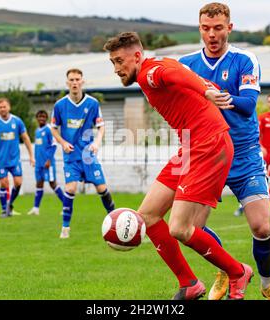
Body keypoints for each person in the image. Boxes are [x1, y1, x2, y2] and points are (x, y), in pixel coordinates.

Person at [104, 31, 253, 300]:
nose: (116, 69)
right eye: (113, 63)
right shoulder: (156, 66)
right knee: (147, 216)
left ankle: (237, 272)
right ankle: (189, 284)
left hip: (209, 146)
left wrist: (206, 91)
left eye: (119, 61)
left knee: (179, 228)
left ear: (137, 56)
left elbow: (176, 76)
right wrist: (206, 88)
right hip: (190, 147)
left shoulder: (151, 73)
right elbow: (180, 72)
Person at [179, 3, 270, 300]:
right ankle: (229, 270)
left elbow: (249, 104)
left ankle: (266, 284)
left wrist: (209, 96)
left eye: (217, 28)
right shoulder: (186, 64)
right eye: (205, 28)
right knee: (191, 229)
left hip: (244, 154)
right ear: (199, 28)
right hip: (207, 155)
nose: (211, 34)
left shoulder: (244, 59)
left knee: (262, 226)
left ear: (229, 27)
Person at [51, 68, 115, 239]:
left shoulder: (92, 103)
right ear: (67, 83)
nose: (74, 82)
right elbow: (54, 129)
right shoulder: (60, 105)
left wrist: (96, 142)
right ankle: (65, 228)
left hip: (88, 155)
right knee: (70, 188)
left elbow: (101, 127)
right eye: (71, 80)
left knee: (102, 188)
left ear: (82, 82)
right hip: (71, 157)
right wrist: (63, 142)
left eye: (77, 79)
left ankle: (116, 221)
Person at [0, 98, 35, 218]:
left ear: (9, 107)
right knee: (4, 183)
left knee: (18, 182)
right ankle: (4, 210)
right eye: (0, 107)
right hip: (1, 159)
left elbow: (26, 138)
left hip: (14, 159)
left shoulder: (17, 121)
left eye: (5, 106)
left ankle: (10, 204)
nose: (3, 109)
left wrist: (31, 156)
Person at [27, 110, 65, 216]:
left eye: (43, 117)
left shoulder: (49, 129)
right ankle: (36, 208)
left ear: (46, 118)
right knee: (39, 184)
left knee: (53, 184)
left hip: (47, 163)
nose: (41, 118)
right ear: (37, 118)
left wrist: (48, 160)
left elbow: (53, 145)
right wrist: (34, 159)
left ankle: (66, 206)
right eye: (39, 116)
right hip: (39, 163)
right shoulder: (37, 131)